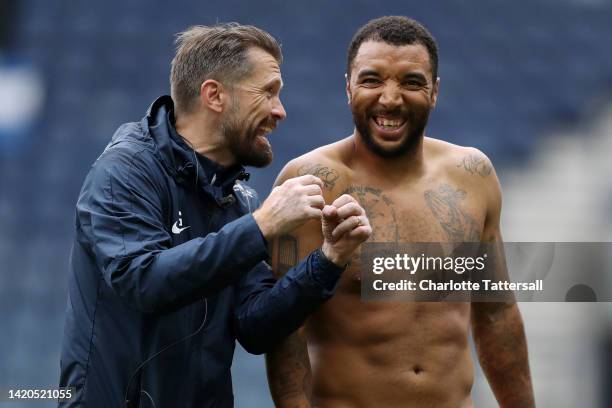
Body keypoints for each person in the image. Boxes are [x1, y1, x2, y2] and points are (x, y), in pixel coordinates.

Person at [58, 23, 372, 408]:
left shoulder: (235, 197)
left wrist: (328, 259)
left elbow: (255, 327)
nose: (280, 111)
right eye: (268, 92)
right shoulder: (124, 170)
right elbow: (141, 280)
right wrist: (262, 225)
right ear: (214, 95)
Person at [266, 16, 535, 407]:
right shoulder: (309, 184)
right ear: (348, 87)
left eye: (411, 82)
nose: (390, 99)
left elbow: (497, 315)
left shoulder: (473, 175)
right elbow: (288, 332)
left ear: (435, 91)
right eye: (372, 80)